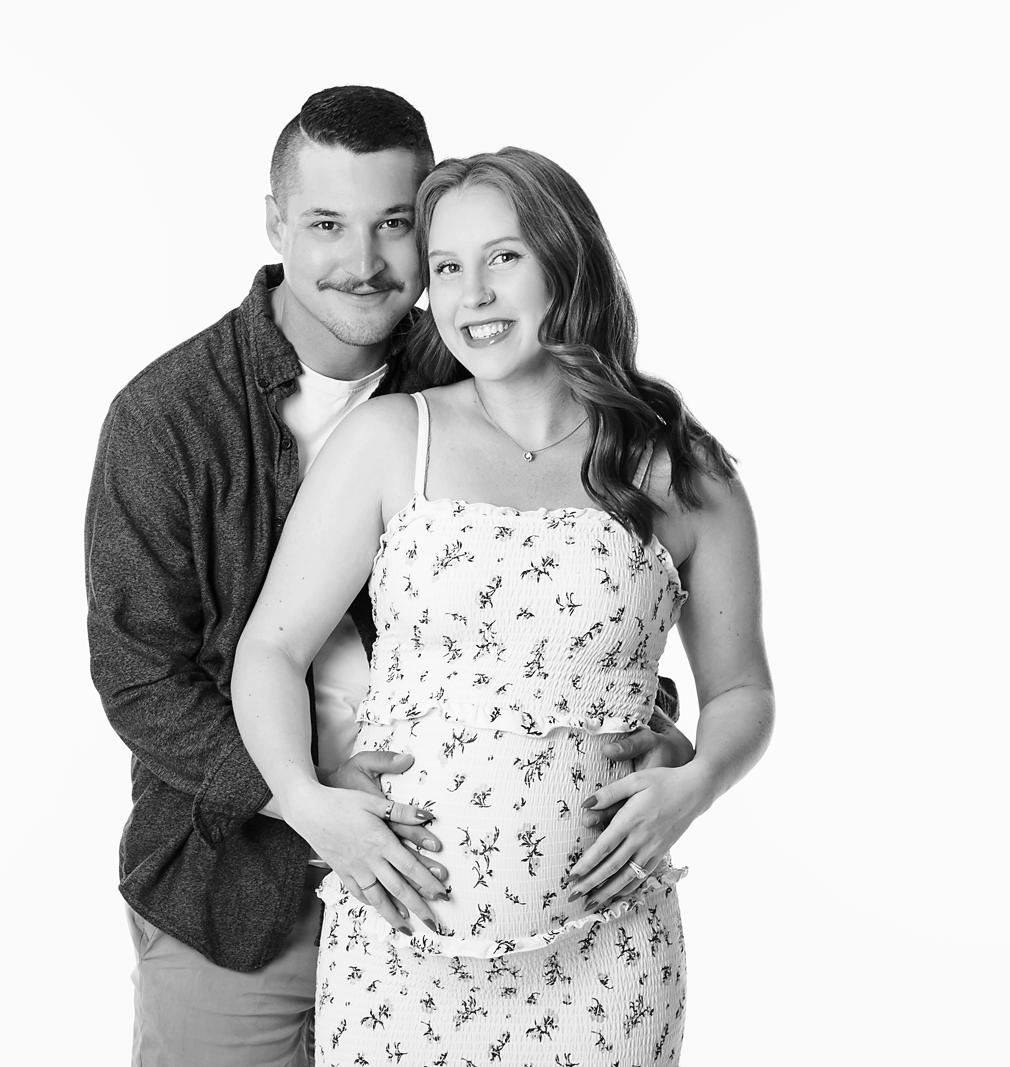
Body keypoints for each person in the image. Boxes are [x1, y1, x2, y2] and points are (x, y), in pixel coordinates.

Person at [87, 87, 694, 1067]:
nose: (364, 261)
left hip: (477, 899)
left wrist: (646, 733)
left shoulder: (481, 359)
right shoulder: (169, 416)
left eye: (396, 225)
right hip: (240, 890)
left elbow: (567, 591)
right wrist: (307, 797)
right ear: (276, 222)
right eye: (327, 224)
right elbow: (140, 676)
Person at [231, 147, 773, 1064]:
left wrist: (696, 782)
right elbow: (271, 651)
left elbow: (742, 689)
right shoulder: (390, 439)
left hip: (608, 954)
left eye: (504, 258)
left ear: (568, 261)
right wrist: (305, 799)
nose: (472, 294)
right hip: (402, 946)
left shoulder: (682, 471)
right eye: (446, 267)